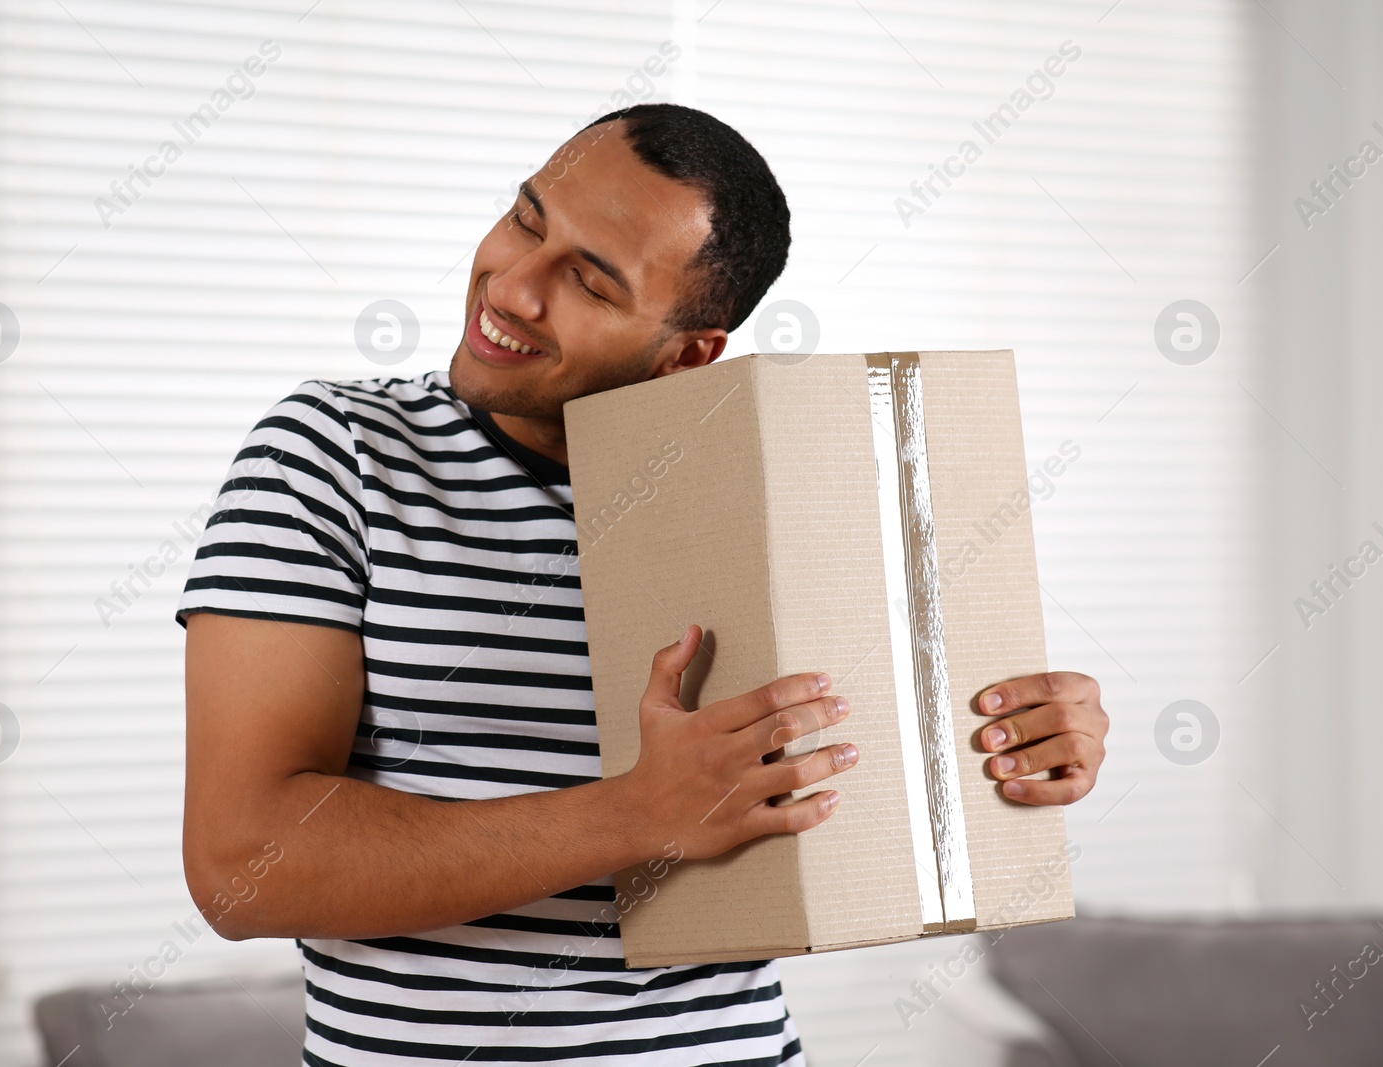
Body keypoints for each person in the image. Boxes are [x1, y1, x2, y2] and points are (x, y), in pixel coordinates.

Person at [175, 102, 1109, 1066]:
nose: (514, 286)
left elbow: (842, 794)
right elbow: (243, 862)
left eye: (589, 280)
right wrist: (638, 813)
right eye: (528, 219)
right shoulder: (337, 453)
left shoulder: (767, 489)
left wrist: (1008, 742)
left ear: (689, 351)